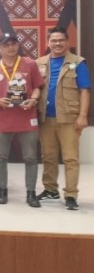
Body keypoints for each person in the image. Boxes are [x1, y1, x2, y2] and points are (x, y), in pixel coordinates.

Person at [36, 27, 91, 211]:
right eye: (54, 40)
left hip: (69, 119)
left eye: (61, 40)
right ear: (48, 42)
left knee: (70, 158)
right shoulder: (39, 63)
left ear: (67, 42)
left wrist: (83, 116)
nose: (57, 43)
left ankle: (71, 195)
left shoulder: (78, 62)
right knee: (48, 156)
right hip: (46, 118)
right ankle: (50, 190)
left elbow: (84, 91)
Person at [0, 33, 43, 207]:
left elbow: (37, 87)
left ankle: (31, 193)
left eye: (13, 44)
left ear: (18, 45)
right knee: (1, 156)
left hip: (27, 116)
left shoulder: (30, 64)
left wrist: (33, 99)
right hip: (4, 117)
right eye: (6, 45)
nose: (10, 47)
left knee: (31, 157)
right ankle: (1, 190)